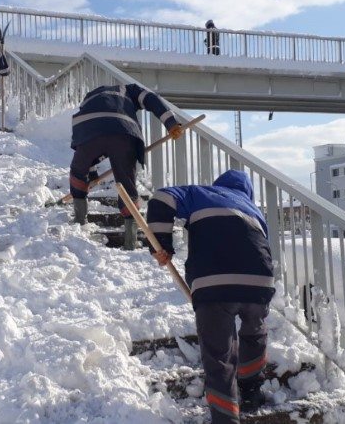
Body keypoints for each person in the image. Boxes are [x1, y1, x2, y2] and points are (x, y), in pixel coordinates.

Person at [145, 170, 275, 423]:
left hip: (213, 281)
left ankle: (226, 417)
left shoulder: (200, 193)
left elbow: (161, 198)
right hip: (259, 281)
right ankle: (250, 392)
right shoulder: (253, 209)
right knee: (254, 332)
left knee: (219, 354)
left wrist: (161, 245)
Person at [70, 84, 183, 250]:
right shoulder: (129, 90)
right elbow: (151, 99)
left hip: (88, 131)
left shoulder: (90, 97)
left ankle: (79, 224)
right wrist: (171, 123)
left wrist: (91, 175)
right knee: (126, 183)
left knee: (78, 172)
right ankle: (130, 242)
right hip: (122, 131)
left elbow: (89, 145)